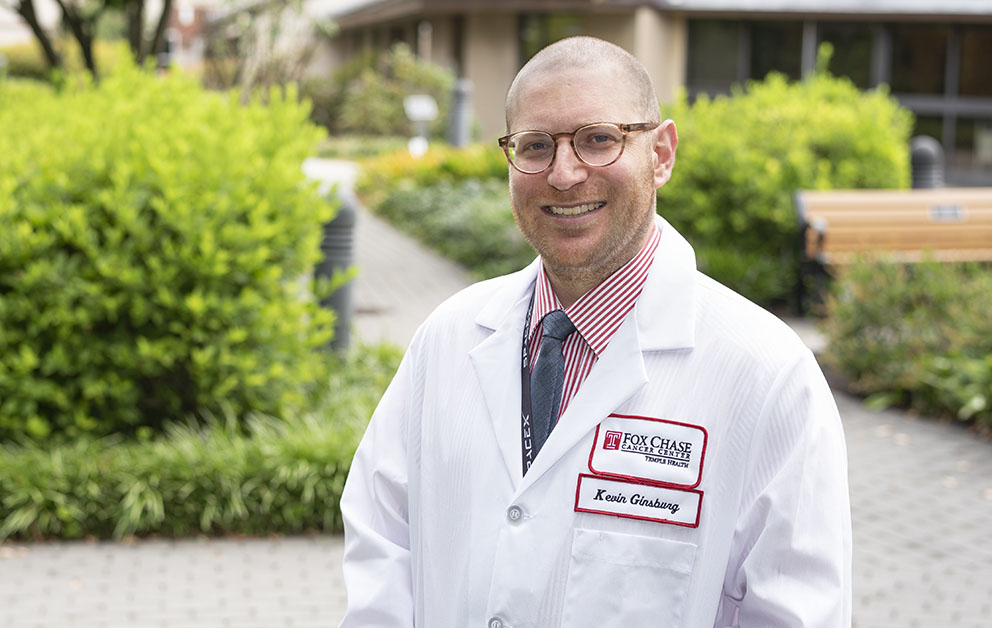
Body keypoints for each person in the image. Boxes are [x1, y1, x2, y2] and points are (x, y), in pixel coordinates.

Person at [338, 36, 851, 628]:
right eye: (534, 146)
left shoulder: (766, 376)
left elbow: (795, 612)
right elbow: (383, 544)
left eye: (599, 139)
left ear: (662, 153)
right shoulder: (447, 340)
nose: (562, 173)